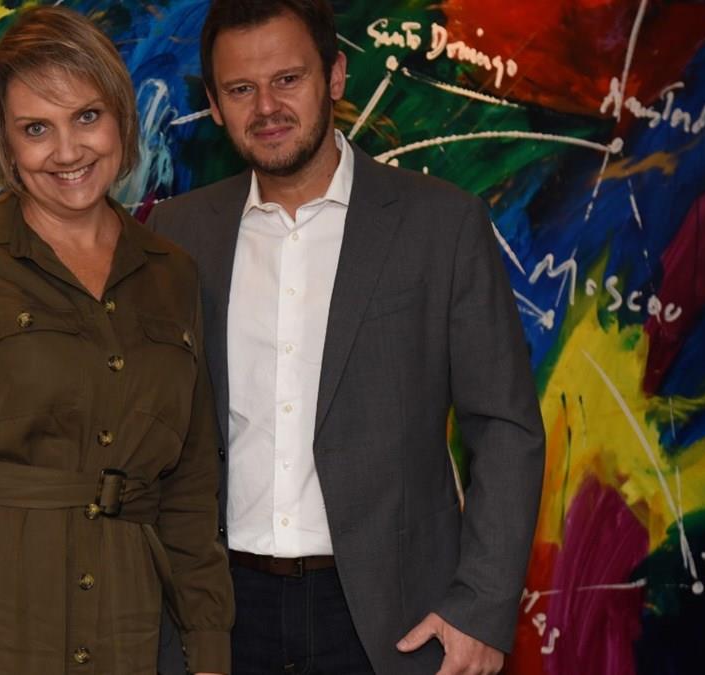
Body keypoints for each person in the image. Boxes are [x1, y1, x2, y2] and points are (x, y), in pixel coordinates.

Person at [150, 1, 545, 674]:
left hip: (394, 622)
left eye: (288, 79)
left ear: (334, 75)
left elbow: (505, 427)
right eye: (241, 89)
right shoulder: (177, 234)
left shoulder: (441, 225)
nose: (266, 107)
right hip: (220, 617)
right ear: (213, 105)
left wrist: (480, 608)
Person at [0, 6, 233, 675]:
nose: (67, 151)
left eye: (86, 116)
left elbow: (192, 492)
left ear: (121, 117)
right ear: (7, 142)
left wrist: (208, 651)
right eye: (36, 129)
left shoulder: (173, 275)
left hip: (125, 626)